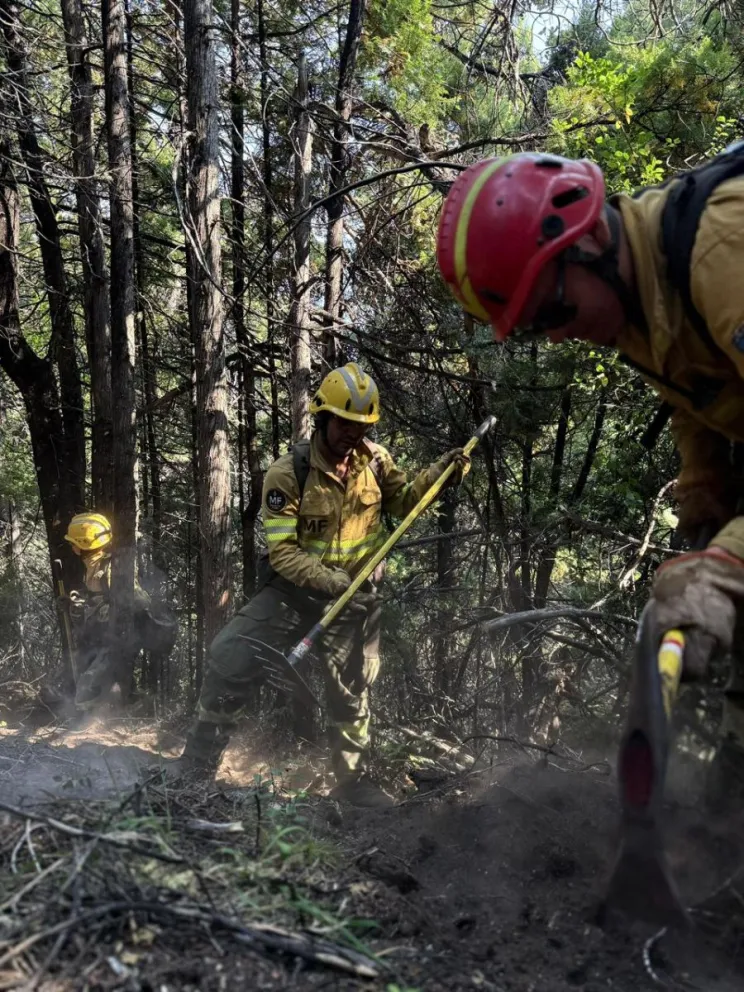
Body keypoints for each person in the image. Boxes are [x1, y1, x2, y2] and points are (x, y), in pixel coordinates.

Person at [436, 147, 744, 805]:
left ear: (592, 238)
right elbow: (697, 382)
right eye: (530, 328)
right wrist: (704, 478)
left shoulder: (723, 250)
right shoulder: (637, 295)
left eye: (550, 310)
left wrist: (727, 564)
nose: (551, 338)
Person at [178, 363, 470, 804]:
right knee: (230, 656)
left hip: (354, 600)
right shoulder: (287, 473)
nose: (353, 433)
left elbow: (405, 500)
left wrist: (439, 475)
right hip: (292, 594)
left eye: (362, 425)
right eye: (345, 422)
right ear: (322, 418)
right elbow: (283, 553)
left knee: (352, 689)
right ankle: (195, 770)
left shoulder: (376, 462)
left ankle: (353, 787)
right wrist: (327, 579)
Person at [62, 512, 176, 711]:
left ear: (83, 545)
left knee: (89, 688)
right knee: (84, 679)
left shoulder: (108, 569)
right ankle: (123, 708)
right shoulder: (94, 566)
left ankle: (104, 722)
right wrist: (77, 603)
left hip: (120, 636)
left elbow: (135, 603)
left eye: (74, 542)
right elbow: (97, 597)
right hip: (104, 635)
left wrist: (97, 612)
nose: (71, 547)